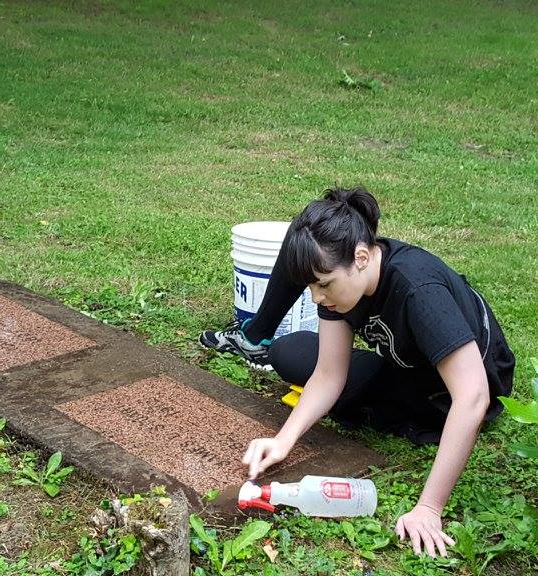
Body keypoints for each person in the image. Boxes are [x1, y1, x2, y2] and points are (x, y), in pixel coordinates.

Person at [200, 186, 515, 557]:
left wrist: (429, 508)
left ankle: (402, 415)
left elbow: (473, 394)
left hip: (450, 390)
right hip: (406, 368)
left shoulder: (418, 288)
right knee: (289, 352)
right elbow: (330, 374)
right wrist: (284, 440)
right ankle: (386, 408)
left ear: (362, 257)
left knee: (375, 402)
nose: (317, 297)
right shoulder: (343, 280)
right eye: (312, 286)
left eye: (324, 284)